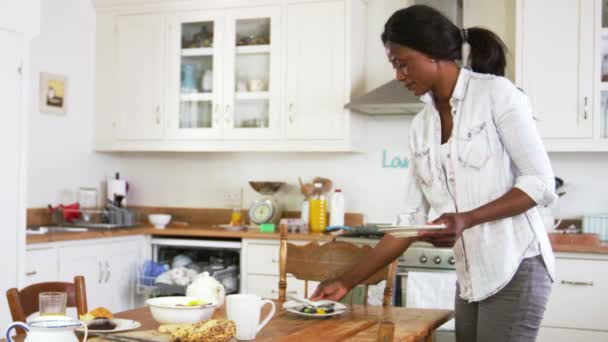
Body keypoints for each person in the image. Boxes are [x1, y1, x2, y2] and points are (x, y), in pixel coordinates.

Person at [311, 5, 556, 342]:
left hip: (516, 266)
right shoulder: (420, 126)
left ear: (434, 54)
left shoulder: (497, 95)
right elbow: (410, 220)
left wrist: (465, 219)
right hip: (471, 277)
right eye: (393, 65)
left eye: (402, 63)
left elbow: (540, 183)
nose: (398, 75)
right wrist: (345, 280)